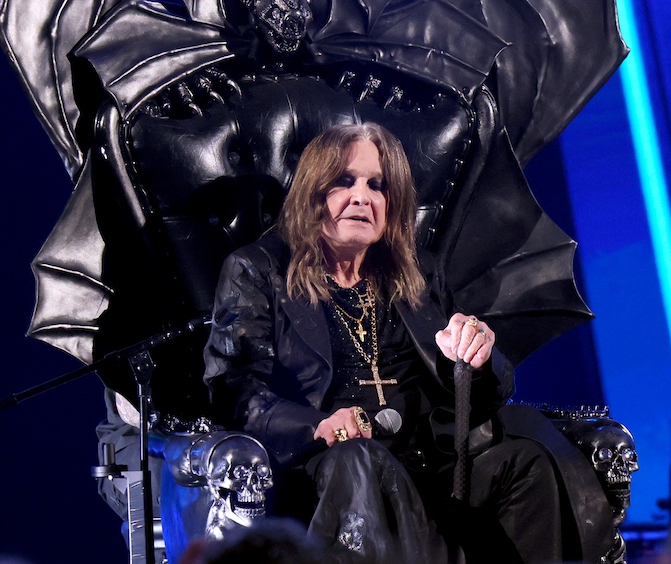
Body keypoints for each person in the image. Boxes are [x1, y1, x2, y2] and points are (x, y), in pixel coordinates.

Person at [203, 123, 563, 563]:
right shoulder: (257, 270)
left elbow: (483, 400)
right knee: (358, 460)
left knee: (523, 464)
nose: (362, 197)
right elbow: (234, 390)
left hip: (425, 467)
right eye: (343, 181)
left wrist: (478, 359)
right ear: (313, 190)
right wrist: (314, 424)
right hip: (324, 468)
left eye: (378, 186)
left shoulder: (417, 275)